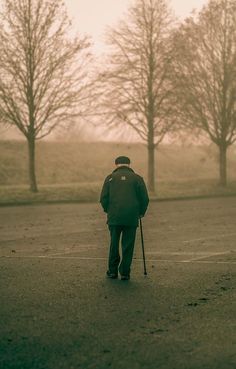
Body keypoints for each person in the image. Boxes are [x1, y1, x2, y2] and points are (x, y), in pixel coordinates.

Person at [100, 156, 149, 281]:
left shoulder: (110, 178)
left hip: (114, 216)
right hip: (131, 217)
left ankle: (112, 271)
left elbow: (103, 198)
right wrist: (141, 212)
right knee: (128, 245)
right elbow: (145, 198)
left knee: (114, 244)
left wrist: (108, 210)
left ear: (116, 164)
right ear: (129, 164)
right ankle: (125, 273)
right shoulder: (137, 178)